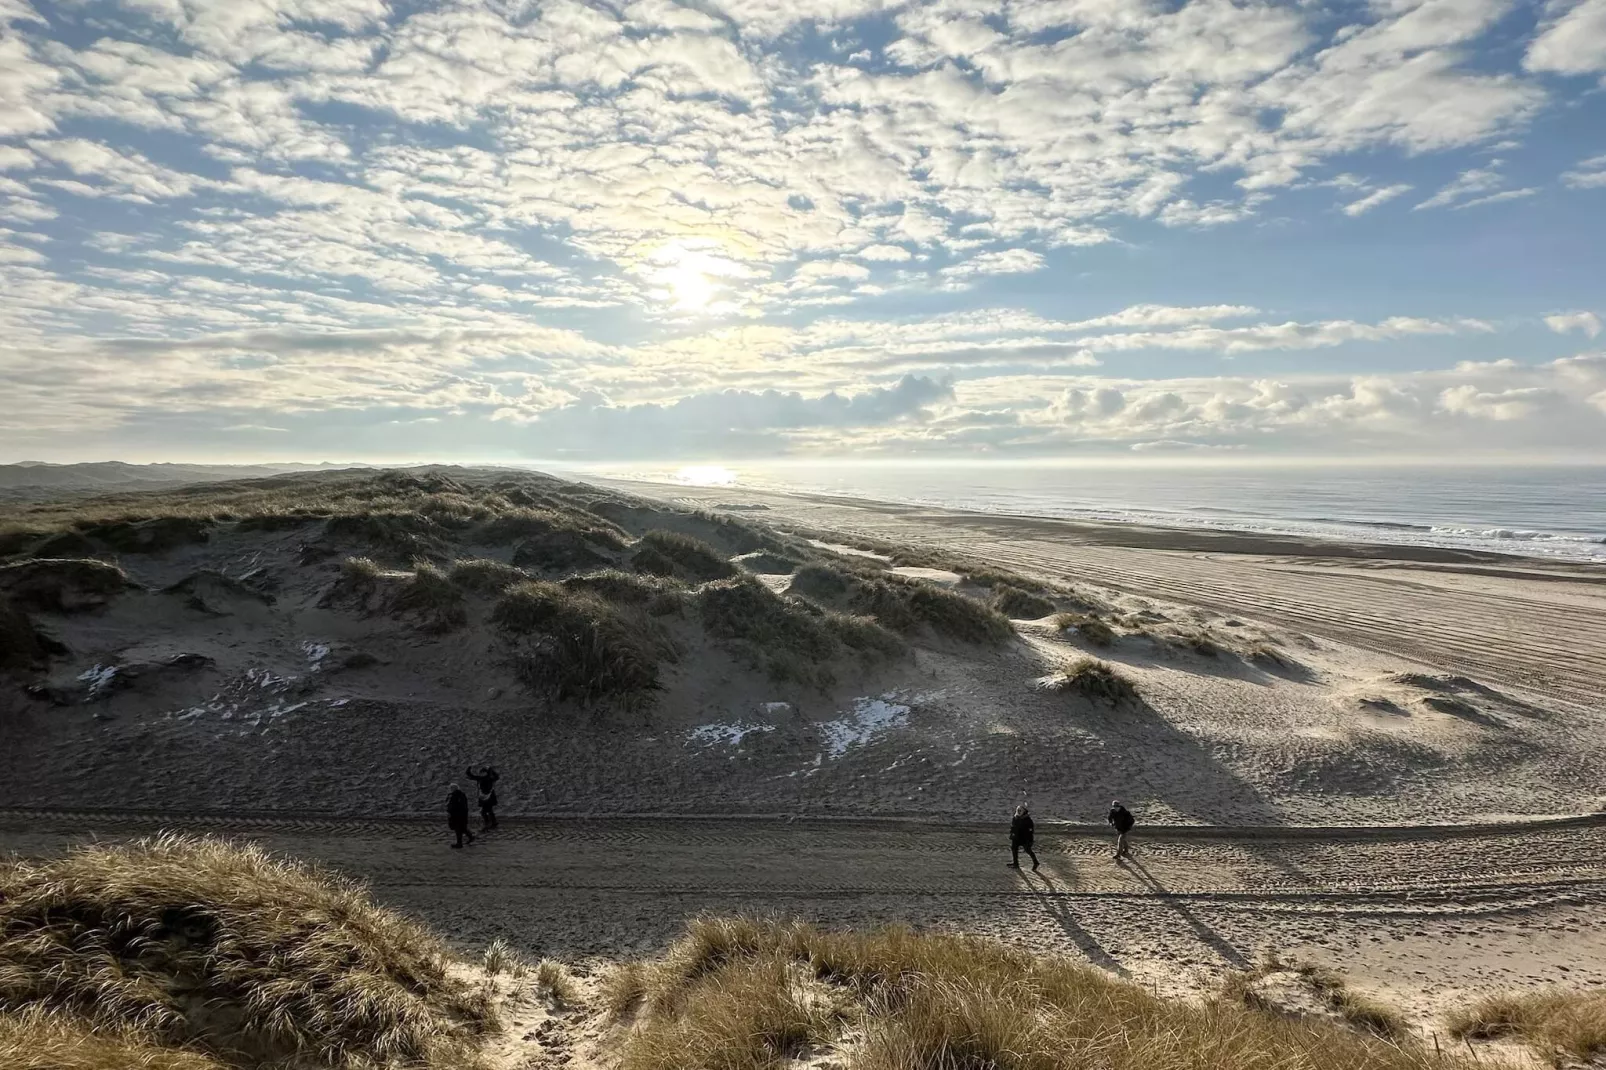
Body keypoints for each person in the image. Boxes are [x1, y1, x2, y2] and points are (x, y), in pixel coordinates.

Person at [466, 765, 500, 831]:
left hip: (488, 797)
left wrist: (490, 769)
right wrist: (469, 768)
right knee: (489, 811)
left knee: (484, 811)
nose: (481, 774)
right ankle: (493, 822)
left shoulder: (486, 778)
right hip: (487, 797)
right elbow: (470, 775)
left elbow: (470, 775)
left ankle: (488, 823)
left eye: (483, 772)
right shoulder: (487, 778)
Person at [1007, 803, 1039, 870]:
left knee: (1028, 850)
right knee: (1014, 849)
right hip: (1016, 837)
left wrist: (1029, 839)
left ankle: (1035, 862)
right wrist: (1012, 834)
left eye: (1020, 810)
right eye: (1018, 810)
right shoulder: (1015, 818)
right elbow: (1013, 827)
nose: (1018, 812)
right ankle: (1015, 863)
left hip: (1025, 838)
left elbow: (1030, 831)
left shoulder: (1028, 820)